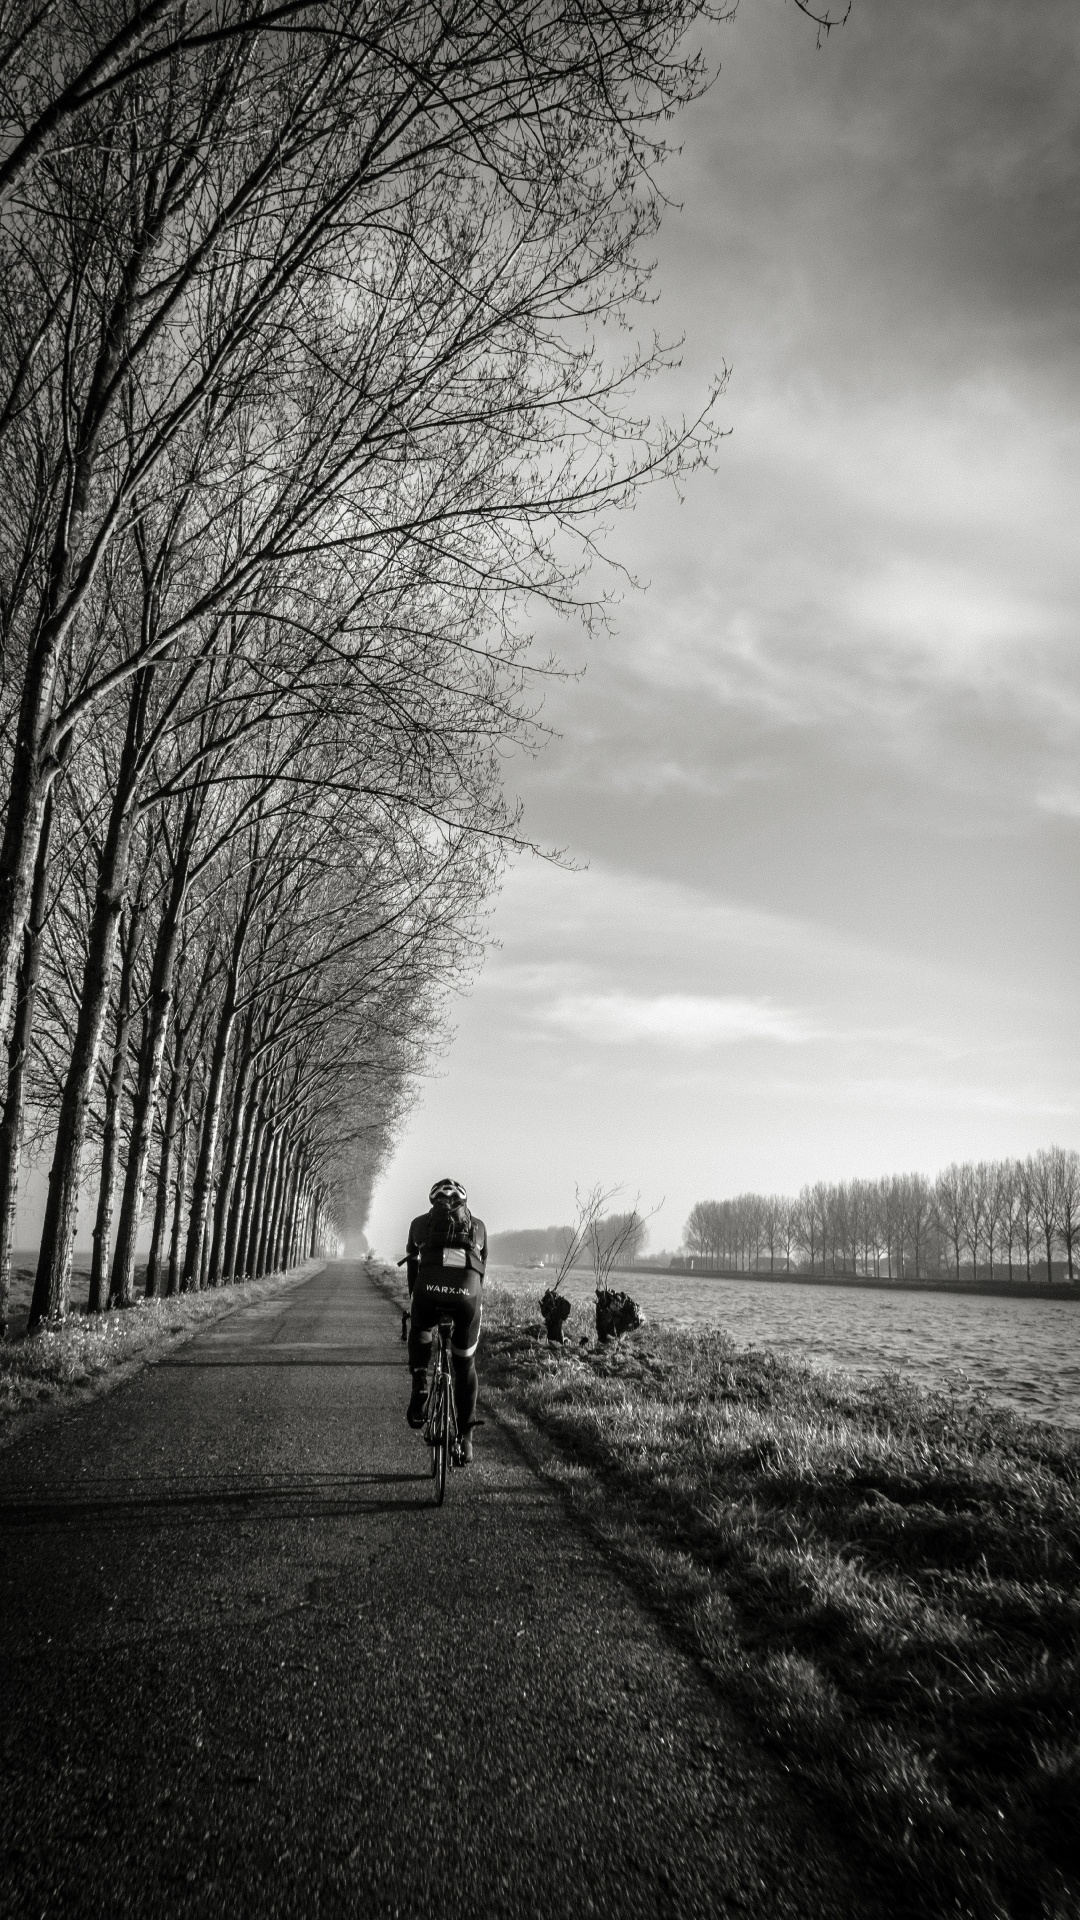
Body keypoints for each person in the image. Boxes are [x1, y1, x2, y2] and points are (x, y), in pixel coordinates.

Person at [405, 1178, 488, 1463]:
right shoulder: (479, 1226)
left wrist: (415, 1300)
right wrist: (470, 1300)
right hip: (467, 1295)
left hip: (428, 1292)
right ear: (463, 1202)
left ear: (433, 1202)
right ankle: (466, 1439)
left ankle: (420, 1380)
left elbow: (412, 1268)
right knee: (465, 1364)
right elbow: (481, 1271)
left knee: (421, 1326)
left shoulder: (419, 1224)